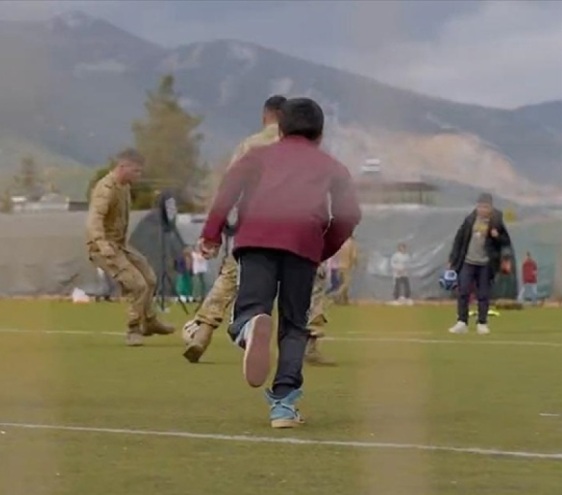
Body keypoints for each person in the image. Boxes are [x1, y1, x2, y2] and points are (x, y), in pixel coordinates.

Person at [199, 97, 361, 428]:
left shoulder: (257, 156)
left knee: (251, 308)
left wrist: (211, 233)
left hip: (257, 238)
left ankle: (248, 329)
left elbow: (227, 192)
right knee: (295, 325)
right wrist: (322, 247)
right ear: (320, 134)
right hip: (303, 244)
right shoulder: (332, 167)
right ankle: (284, 406)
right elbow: (349, 214)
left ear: (280, 129)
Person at [181, 95, 286, 362]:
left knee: (229, 277)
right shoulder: (302, 148)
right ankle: (306, 342)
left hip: (254, 227)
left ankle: (203, 333)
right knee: (308, 281)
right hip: (292, 229)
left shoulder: (250, 146)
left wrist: (212, 233)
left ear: (265, 116)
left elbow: (228, 190)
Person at [86, 148, 175, 346]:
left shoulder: (124, 187)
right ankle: (133, 329)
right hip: (103, 247)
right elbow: (94, 220)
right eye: (136, 170)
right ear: (122, 167)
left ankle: (149, 321)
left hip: (120, 245)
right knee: (137, 285)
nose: (139, 175)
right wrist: (102, 244)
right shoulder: (105, 189)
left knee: (150, 278)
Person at [447, 193, 511, 335]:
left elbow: (506, 242)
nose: (482, 209)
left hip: (485, 263)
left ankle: (482, 323)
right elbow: (459, 239)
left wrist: (497, 237)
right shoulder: (470, 220)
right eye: (480, 206)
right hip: (468, 261)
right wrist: (453, 258)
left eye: (486, 207)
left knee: (483, 294)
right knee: (463, 291)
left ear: (491, 208)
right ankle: (462, 322)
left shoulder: (496, 222)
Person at [333, 235, 358, 305]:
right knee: (346, 283)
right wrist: (355, 264)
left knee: (342, 282)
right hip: (346, 266)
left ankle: (344, 300)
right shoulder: (352, 243)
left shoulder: (341, 243)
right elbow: (354, 256)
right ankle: (337, 294)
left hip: (339, 265)